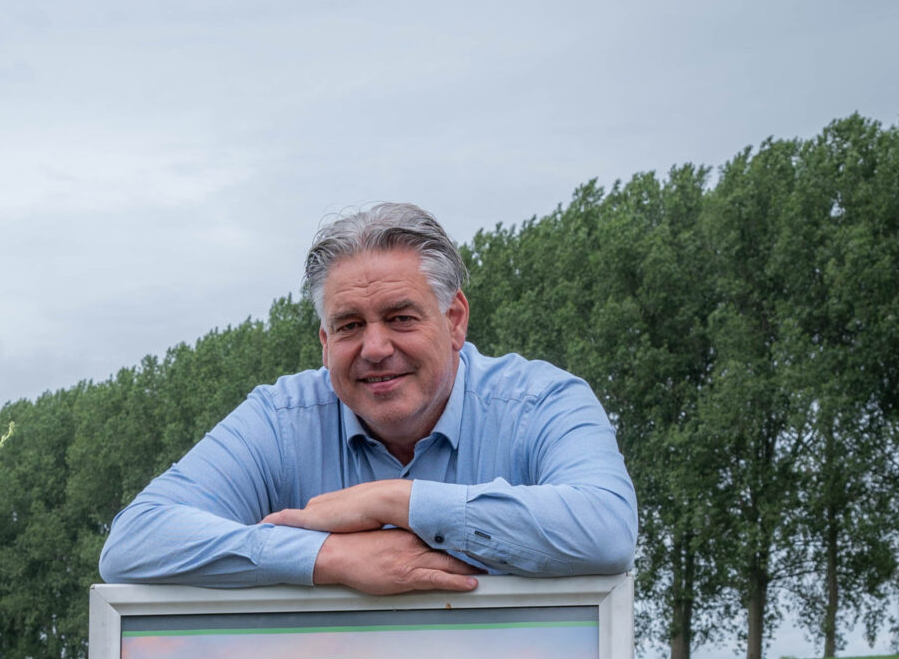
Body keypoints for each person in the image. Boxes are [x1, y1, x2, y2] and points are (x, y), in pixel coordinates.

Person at [99, 202, 636, 596]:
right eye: (350, 325)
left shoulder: (543, 403)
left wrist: (392, 503)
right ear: (325, 342)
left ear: (454, 320)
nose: (376, 349)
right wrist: (328, 555)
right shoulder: (280, 419)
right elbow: (135, 542)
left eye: (401, 318)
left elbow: (606, 529)